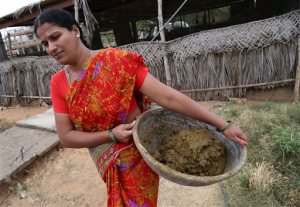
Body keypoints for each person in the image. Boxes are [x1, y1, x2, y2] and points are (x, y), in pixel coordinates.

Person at [34, 8, 248, 207]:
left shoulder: (117, 62)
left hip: (137, 158)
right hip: (107, 160)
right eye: (45, 43)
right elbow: (66, 136)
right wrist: (111, 135)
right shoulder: (58, 82)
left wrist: (222, 125)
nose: (51, 48)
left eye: (55, 37)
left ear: (75, 31)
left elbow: (169, 97)